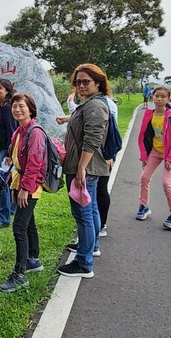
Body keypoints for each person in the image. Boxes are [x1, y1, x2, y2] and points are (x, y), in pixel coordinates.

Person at [58, 63, 110, 279]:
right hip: (87, 167)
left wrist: (80, 168)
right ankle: (92, 246)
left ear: (98, 83)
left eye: (86, 81)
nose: (80, 85)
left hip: (84, 169)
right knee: (92, 210)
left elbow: (92, 139)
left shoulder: (96, 106)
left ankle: (83, 262)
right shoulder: (90, 104)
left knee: (84, 215)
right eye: (77, 82)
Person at [0, 93, 46, 292]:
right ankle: (33, 260)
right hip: (20, 181)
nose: (17, 110)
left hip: (29, 185)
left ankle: (19, 274)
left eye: (21, 106)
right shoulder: (20, 130)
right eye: (15, 107)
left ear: (30, 109)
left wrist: (25, 190)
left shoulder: (35, 132)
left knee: (19, 227)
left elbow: (35, 163)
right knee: (28, 223)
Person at [136, 86, 171, 229]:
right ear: (152, 96)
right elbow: (143, 136)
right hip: (154, 151)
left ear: (169, 98)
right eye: (157, 96)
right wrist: (144, 156)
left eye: (163, 96)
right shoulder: (148, 114)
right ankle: (143, 206)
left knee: (166, 183)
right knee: (144, 177)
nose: (159, 99)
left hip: (170, 154)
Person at [0, 78, 17, 228]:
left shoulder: (8, 107)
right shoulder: (1, 105)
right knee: (11, 180)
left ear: (7, 90)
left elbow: (12, 130)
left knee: (2, 181)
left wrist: (10, 154)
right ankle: (12, 208)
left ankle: (3, 217)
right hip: (4, 149)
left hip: (8, 150)